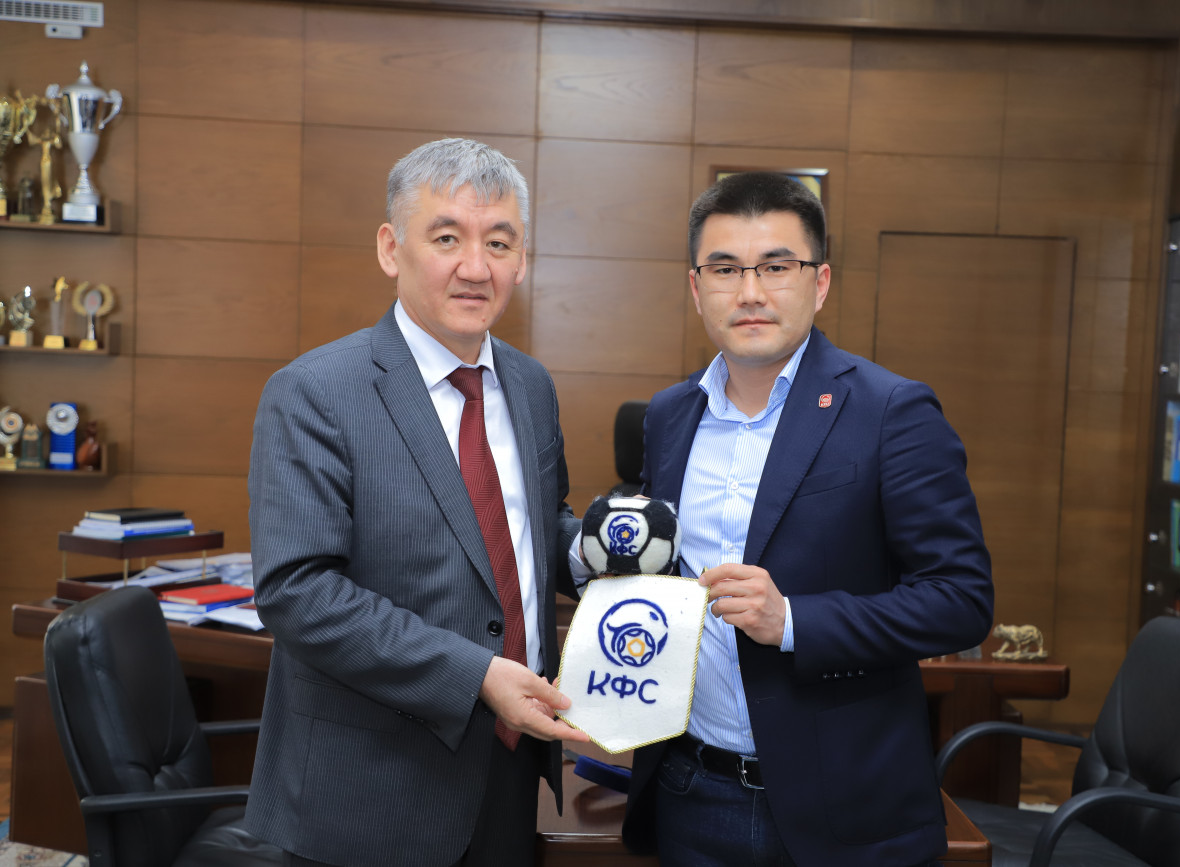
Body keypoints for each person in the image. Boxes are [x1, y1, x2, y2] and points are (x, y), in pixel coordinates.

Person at [620, 172, 995, 866]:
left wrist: (792, 620)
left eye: (776, 266)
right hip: (688, 790)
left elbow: (962, 600)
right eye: (725, 268)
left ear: (819, 283)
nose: (750, 291)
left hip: (844, 810)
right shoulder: (671, 415)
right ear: (697, 288)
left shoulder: (892, 411)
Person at [246, 137, 587, 867]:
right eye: (447, 238)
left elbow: (532, 530)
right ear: (390, 248)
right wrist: (476, 676)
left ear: (522, 261)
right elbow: (298, 592)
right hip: (370, 795)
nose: (476, 267)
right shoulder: (314, 393)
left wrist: (595, 551)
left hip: (511, 767)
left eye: (499, 242)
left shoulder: (531, 386)